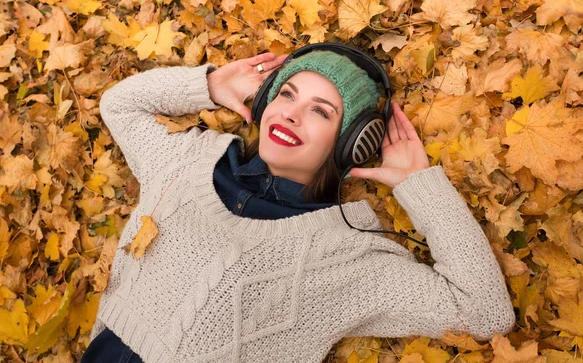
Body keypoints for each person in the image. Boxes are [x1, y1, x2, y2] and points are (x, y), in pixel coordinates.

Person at [83, 45, 515, 363]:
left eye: (320, 112)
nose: (290, 113)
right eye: (286, 94)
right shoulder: (186, 160)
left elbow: (485, 313)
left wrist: (419, 186)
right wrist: (210, 85)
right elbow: (119, 105)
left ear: (350, 145)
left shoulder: (346, 255)